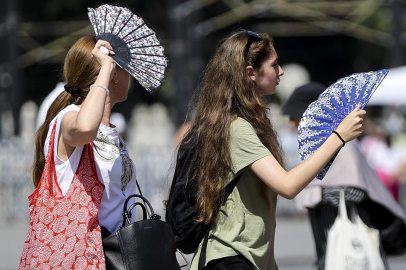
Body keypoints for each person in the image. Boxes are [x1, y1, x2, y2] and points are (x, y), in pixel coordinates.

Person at [176, 29, 366, 270]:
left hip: (243, 259)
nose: (281, 71)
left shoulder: (242, 123)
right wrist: (338, 136)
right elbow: (287, 186)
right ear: (251, 73)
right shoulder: (237, 128)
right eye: (274, 65)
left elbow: (252, 208)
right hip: (229, 259)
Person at [19, 36, 137, 269]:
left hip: (111, 256)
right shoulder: (68, 117)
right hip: (76, 258)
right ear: (113, 72)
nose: (130, 76)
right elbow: (85, 128)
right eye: (127, 68)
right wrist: (105, 68)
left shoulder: (113, 133)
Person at [282, 82, 406, 270]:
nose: (292, 124)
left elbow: (355, 191)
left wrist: (316, 193)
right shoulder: (322, 144)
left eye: (295, 117)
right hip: (330, 247)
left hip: (352, 245)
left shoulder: (341, 142)